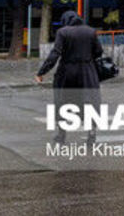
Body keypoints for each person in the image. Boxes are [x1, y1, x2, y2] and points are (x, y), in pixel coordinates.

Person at [35, 11, 103, 144]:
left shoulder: (63, 32)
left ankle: (61, 135)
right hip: (87, 72)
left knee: (63, 101)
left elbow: (55, 53)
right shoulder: (91, 31)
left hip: (67, 72)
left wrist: (41, 72)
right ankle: (91, 133)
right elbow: (99, 51)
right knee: (90, 102)